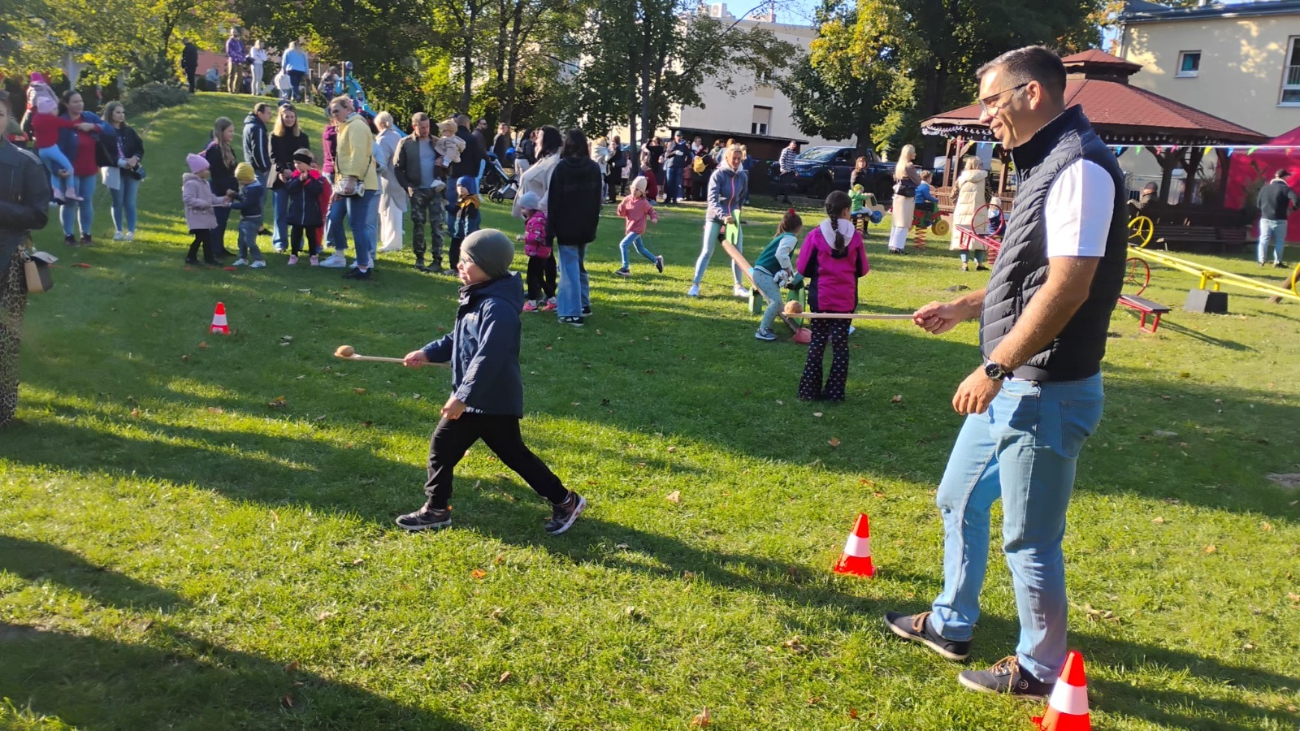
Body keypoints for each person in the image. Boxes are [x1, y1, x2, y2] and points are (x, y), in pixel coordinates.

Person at [885, 45, 1127, 699]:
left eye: (992, 100)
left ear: (1032, 95)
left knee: (1028, 537)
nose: (986, 115)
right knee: (957, 497)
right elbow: (1027, 272)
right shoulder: (1044, 162)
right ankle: (951, 621)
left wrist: (995, 364)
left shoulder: (1080, 168)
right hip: (1016, 384)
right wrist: (966, 308)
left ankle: (1040, 666)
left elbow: (1069, 285)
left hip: (1044, 389)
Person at [397, 229, 586, 534]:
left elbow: (489, 356)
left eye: (467, 260)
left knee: (446, 447)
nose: (460, 265)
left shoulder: (496, 307)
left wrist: (463, 396)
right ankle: (564, 501)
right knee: (508, 454)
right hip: (481, 399)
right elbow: (458, 339)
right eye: (460, 259)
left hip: (490, 399)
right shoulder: (479, 296)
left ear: (489, 266)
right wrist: (427, 352)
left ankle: (436, 510)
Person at [0, 90, 52, 429]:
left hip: (8, 261)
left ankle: (2, 408)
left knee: (5, 339)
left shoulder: (26, 161)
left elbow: (39, 215)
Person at [796, 191, 867, 401]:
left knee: (817, 343)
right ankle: (835, 393)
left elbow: (802, 267)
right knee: (840, 345)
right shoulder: (855, 237)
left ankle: (809, 392)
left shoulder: (815, 235)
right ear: (846, 210)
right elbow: (862, 269)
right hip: (845, 301)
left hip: (822, 299)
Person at [547, 129, 603, 327]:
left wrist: (550, 229)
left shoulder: (562, 168)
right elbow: (598, 199)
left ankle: (571, 312)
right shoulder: (594, 168)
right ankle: (583, 304)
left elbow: (553, 201)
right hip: (586, 223)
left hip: (566, 224)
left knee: (569, 267)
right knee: (578, 264)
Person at [688, 143, 749, 298]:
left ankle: (739, 286)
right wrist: (723, 216)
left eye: (739, 159)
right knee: (707, 251)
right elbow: (712, 200)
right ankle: (695, 285)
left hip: (732, 219)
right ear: (727, 157)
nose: (736, 161)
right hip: (715, 218)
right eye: (733, 158)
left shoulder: (743, 176)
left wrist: (736, 215)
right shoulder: (718, 175)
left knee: (738, 253)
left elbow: (740, 199)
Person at [332, 96, 379, 278]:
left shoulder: (356, 126)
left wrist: (351, 179)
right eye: (332, 111)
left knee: (357, 225)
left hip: (360, 183)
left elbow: (358, 155)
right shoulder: (348, 126)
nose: (334, 115)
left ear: (348, 108)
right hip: (352, 182)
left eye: (337, 110)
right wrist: (339, 186)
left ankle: (363, 266)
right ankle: (364, 261)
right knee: (344, 220)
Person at [394, 112, 447, 272]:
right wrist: (407, 187)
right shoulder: (405, 143)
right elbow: (397, 168)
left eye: (427, 127)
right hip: (416, 190)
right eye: (422, 127)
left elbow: (450, 165)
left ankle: (437, 259)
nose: (425, 130)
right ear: (414, 126)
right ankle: (419, 258)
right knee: (418, 224)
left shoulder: (438, 143)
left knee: (437, 224)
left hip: (435, 189)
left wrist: (443, 165)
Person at [56, 91, 106, 247]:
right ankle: (69, 235)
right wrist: (57, 168)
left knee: (86, 201)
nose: (79, 104)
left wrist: (92, 126)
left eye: (81, 101)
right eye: (75, 102)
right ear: (66, 104)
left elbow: (108, 128)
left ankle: (86, 233)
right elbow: (53, 148)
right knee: (70, 202)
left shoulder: (89, 117)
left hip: (89, 168)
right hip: (70, 170)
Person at [751, 208, 803, 342]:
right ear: (798, 228)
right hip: (763, 273)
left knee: (776, 303)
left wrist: (789, 274)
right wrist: (787, 270)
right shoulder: (791, 238)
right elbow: (780, 254)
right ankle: (762, 330)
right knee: (776, 302)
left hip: (760, 271)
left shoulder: (782, 236)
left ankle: (769, 327)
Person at [100, 101, 145, 241]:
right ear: (110, 113)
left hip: (131, 171)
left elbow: (139, 147)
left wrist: (135, 159)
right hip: (114, 171)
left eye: (122, 112)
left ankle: (131, 231)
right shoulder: (105, 132)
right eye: (117, 112)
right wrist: (120, 162)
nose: (121, 115)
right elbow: (103, 153)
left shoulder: (129, 131)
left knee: (130, 202)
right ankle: (119, 230)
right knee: (117, 201)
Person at [30, 96, 89, 204]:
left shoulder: (36, 119)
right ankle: (70, 191)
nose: (57, 110)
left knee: (53, 172)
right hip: (52, 148)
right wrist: (80, 125)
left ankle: (57, 193)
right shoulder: (52, 119)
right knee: (69, 168)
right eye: (55, 109)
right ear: (49, 110)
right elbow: (68, 124)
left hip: (41, 151)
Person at [269, 104, 309, 253]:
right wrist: (282, 170)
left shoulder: (302, 137)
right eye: (287, 116)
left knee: (297, 211)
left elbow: (306, 156)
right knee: (280, 211)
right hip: (279, 178)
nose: (290, 119)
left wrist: (294, 171)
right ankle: (280, 242)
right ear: (281, 117)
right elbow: (273, 156)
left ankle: (297, 242)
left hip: (297, 177)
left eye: (292, 117)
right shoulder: (274, 136)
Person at [182, 153, 231, 265]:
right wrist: (203, 204)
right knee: (202, 237)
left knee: (205, 238)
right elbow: (188, 199)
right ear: (198, 170)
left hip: (205, 217)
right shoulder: (191, 184)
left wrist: (222, 199)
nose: (208, 172)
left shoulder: (205, 184)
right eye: (205, 169)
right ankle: (195, 257)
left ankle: (204, 258)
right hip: (196, 216)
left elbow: (211, 198)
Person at [203, 117, 240, 258]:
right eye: (230, 131)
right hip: (219, 190)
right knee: (217, 220)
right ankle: (213, 249)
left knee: (223, 221)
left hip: (229, 189)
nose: (232, 134)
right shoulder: (214, 149)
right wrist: (226, 190)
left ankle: (220, 247)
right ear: (221, 131)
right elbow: (216, 174)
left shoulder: (227, 147)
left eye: (233, 131)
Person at [613, 176, 663, 278]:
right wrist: (622, 205)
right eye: (633, 188)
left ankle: (625, 268)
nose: (634, 191)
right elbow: (621, 214)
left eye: (637, 190)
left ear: (642, 192)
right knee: (640, 249)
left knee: (623, 244)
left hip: (638, 228)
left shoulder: (643, 203)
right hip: (630, 228)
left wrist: (654, 218)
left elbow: (651, 211)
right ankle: (656, 260)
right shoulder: (627, 199)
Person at [285, 148, 327, 264]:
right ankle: (294, 254)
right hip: (296, 211)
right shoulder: (295, 176)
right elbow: (290, 189)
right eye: (295, 163)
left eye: (299, 163)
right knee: (295, 234)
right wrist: (299, 180)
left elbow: (318, 190)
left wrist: (307, 181)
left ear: (307, 164)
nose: (296, 165)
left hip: (311, 211)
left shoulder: (315, 176)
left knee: (311, 234)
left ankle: (313, 255)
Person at [373, 111, 407, 255]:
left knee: (389, 211)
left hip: (388, 179)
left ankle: (391, 242)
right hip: (399, 179)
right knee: (394, 210)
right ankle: (391, 241)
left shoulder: (383, 139)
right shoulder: (396, 136)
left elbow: (382, 161)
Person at [516, 191, 554, 312]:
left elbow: (538, 237)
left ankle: (532, 304)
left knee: (531, 278)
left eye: (523, 208)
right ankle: (553, 300)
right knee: (539, 278)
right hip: (540, 252)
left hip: (538, 253)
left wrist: (524, 237)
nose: (522, 211)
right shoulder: (537, 218)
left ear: (530, 207)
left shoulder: (537, 220)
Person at [951, 157, 989, 271]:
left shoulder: (961, 179)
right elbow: (989, 195)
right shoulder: (984, 179)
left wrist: (958, 205)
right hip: (979, 210)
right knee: (980, 236)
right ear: (979, 165)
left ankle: (964, 264)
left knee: (963, 237)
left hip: (962, 211)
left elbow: (953, 196)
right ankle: (979, 263)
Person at [447, 114, 485, 231]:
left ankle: (452, 228)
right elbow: (477, 158)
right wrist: (475, 174)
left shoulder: (451, 138)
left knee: (452, 203)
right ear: (467, 124)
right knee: (471, 202)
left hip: (453, 174)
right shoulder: (472, 139)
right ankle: (472, 227)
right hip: (468, 176)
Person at [1256, 168, 1298, 268]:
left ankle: (1261, 261)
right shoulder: (1286, 189)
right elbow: (1297, 200)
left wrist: (1265, 210)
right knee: (1279, 241)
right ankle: (1277, 262)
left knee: (1263, 240)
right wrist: (1291, 209)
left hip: (1265, 218)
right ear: (1284, 177)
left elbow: (1258, 204)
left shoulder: (1265, 188)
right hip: (1281, 219)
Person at [229, 163, 267, 267]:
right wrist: (235, 195)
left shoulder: (255, 190)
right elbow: (243, 198)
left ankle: (259, 260)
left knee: (249, 241)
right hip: (245, 218)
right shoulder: (248, 187)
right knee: (241, 240)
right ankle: (243, 258)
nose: (240, 182)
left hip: (253, 219)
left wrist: (230, 205)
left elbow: (246, 204)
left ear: (247, 178)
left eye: (241, 180)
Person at [887, 144, 921, 253]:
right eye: (914, 152)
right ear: (909, 153)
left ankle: (892, 245)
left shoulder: (899, 165)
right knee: (904, 222)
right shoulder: (909, 166)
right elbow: (917, 181)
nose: (915, 154)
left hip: (898, 196)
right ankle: (898, 247)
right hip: (906, 197)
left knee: (896, 221)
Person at [242, 103, 272, 225]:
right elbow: (258, 151)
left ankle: (253, 224)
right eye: (268, 113)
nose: (270, 116)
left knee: (253, 197)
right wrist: (265, 168)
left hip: (251, 167)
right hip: (258, 169)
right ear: (260, 114)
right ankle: (257, 226)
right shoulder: (257, 128)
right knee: (259, 198)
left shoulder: (249, 126)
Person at [449, 176, 481, 270]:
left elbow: (470, 221)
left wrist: (468, 236)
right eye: (458, 186)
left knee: (466, 253)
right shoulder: (461, 200)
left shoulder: (471, 203)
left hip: (465, 234)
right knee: (454, 250)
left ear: (470, 187)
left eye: (463, 186)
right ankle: (453, 268)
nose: (460, 189)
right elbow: (455, 211)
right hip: (458, 232)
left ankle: (467, 269)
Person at [663, 132, 691, 205]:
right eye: (677, 136)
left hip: (679, 167)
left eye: (680, 136)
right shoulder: (671, 144)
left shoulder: (684, 146)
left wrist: (684, 164)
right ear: (674, 136)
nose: (679, 137)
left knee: (677, 184)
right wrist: (674, 152)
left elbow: (689, 157)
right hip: (671, 166)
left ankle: (674, 199)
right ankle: (668, 199)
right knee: (669, 183)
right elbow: (666, 155)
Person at [225, 28, 246, 95]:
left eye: (235, 32)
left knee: (239, 75)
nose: (234, 33)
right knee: (232, 75)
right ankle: (230, 90)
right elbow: (229, 51)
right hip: (233, 60)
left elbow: (243, 50)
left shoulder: (240, 42)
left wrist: (242, 58)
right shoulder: (230, 41)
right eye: (233, 32)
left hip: (240, 61)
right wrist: (236, 57)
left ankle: (236, 90)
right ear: (231, 33)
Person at [777, 140, 799, 204]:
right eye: (793, 145)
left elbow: (792, 163)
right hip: (785, 171)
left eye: (794, 146)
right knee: (783, 185)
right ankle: (778, 197)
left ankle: (785, 198)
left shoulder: (793, 152)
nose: (793, 147)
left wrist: (795, 171)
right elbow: (781, 159)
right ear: (790, 144)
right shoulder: (786, 150)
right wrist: (783, 169)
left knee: (788, 185)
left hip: (790, 171)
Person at [606, 135, 625, 203]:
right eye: (611, 144)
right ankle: (611, 197)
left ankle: (612, 198)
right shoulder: (615, 151)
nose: (612, 146)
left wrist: (607, 160)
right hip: (613, 169)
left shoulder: (617, 151)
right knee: (611, 185)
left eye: (614, 144)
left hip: (614, 170)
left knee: (611, 184)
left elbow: (611, 159)